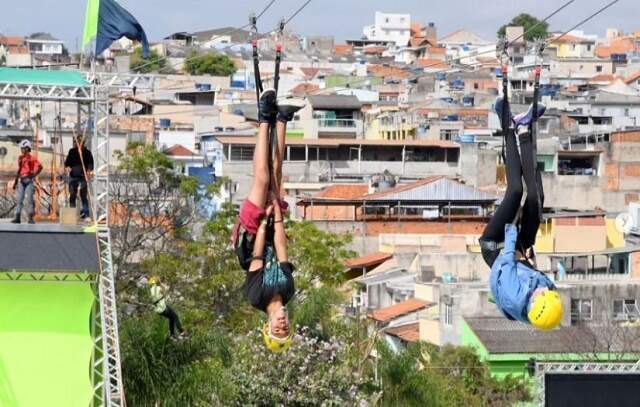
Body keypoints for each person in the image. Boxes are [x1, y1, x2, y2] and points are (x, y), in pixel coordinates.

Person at [479, 99, 564, 331]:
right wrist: (531, 261)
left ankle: (506, 124)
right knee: (536, 199)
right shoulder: (547, 295)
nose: (545, 289)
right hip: (520, 254)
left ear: (534, 302)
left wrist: (513, 226)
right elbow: (538, 276)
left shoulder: (515, 295)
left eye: (542, 294)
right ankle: (524, 129)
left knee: (516, 191)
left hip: (497, 248)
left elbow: (507, 259)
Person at [232, 88, 305, 352]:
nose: (282, 325)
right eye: (286, 329)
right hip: (273, 228)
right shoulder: (287, 290)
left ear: (268, 325)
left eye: (278, 329)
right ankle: (283, 118)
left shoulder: (256, 296)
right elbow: (283, 250)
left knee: (262, 179)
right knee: (276, 175)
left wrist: (264, 221)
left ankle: (265, 118)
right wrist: (277, 215)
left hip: (253, 233)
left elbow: (258, 256)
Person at [12, 140, 42, 224]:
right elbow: (19, 170)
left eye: (23, 148)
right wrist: (15, 182)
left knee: (29, 200)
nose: (21, 150)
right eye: (21, 148)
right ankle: (17, 217)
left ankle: (30, 218)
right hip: (21, 180)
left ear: (27, 148)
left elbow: (40, 167)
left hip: (29, 181)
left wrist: (33, 175)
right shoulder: (20, 158)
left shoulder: (32, 158)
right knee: (19, 199)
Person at [64, 136, 94, 219]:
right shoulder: (72, 151)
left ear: (83, 143)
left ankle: (86, 214)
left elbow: (91, 164)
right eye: (76, 142)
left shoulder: (87, 153)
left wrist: (88, 171)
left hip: (83, 176)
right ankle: (72, 215)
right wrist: (67, 168)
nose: (76, 144)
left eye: (79, 142)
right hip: (73, 176)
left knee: (83, 196)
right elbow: (67, 163)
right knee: (72, 195)